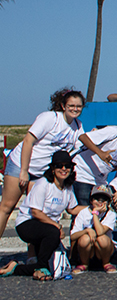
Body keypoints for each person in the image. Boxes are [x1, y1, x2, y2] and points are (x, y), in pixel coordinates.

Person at [0, 88, 85, 238]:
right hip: (22, 164)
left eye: (78, 106)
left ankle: (33, 257)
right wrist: (24, 171)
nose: (75, 109)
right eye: (71, 105)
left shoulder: (77, 126)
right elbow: (28, 141)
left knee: (35, 212)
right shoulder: (50, 118)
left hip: (41, 173)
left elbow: (83, 144)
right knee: (7, 207)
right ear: (63, 106)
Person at [1, 151, 83, 280]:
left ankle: (16, 268)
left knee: (52, 267)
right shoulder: (43, 184)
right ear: (52, 169)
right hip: (27, 223)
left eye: (67, 166)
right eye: (59, 166)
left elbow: (72, 209)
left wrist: (92, 208)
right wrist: (56, 225)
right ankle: (40, 269)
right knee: (52, 233)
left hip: (47, 228)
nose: (64, 169)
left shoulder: (68, 187)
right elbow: (36, 212)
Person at [71, 108, 117, 205]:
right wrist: (100, 153)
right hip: (83, 174)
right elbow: (83, 137)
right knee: (84, 211)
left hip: (99, 181)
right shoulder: (114, 132)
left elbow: (111, 166)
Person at [69, 186, 117, 275]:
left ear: (108, 202)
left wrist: (95, 213)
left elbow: (100, 232)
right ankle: (84, 263)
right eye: (97, 199)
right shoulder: (83, 213)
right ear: (91, 200)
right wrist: (86, 231)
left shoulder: (111, 214)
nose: (100, 202)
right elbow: (73, 236)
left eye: (104, 200)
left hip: (103, 250)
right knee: (85, 238)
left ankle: (106, 263)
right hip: (87, 250)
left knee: (102, 238)